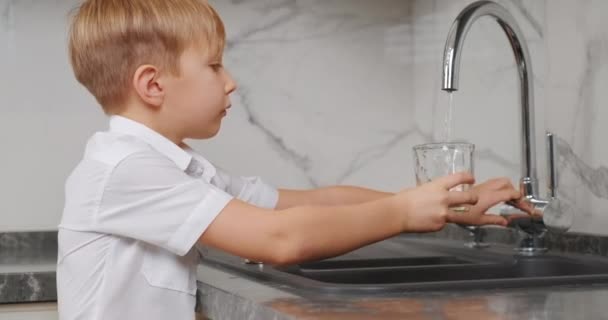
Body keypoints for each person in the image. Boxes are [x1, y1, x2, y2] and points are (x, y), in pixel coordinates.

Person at [56, 0, 526, 319]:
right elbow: (280, 238)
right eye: (215, 65)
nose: (231, 81)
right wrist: (403, 212)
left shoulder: (179, 166)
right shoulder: (124, 170)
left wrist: (442, 203)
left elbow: (311, 204)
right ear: (153, 85)